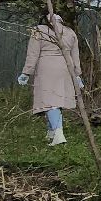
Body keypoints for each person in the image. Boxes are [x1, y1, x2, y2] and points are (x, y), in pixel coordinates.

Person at [17, 12, 83, 146]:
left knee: (49, 101)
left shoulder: (39, 30)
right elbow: (75, 55)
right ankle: (51, 132)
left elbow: (33, 53)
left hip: (46, 68)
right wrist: (77, 74)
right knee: (57, 100)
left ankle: (58, 134)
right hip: (66, 67)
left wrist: (26, 72)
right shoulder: (70, 32)